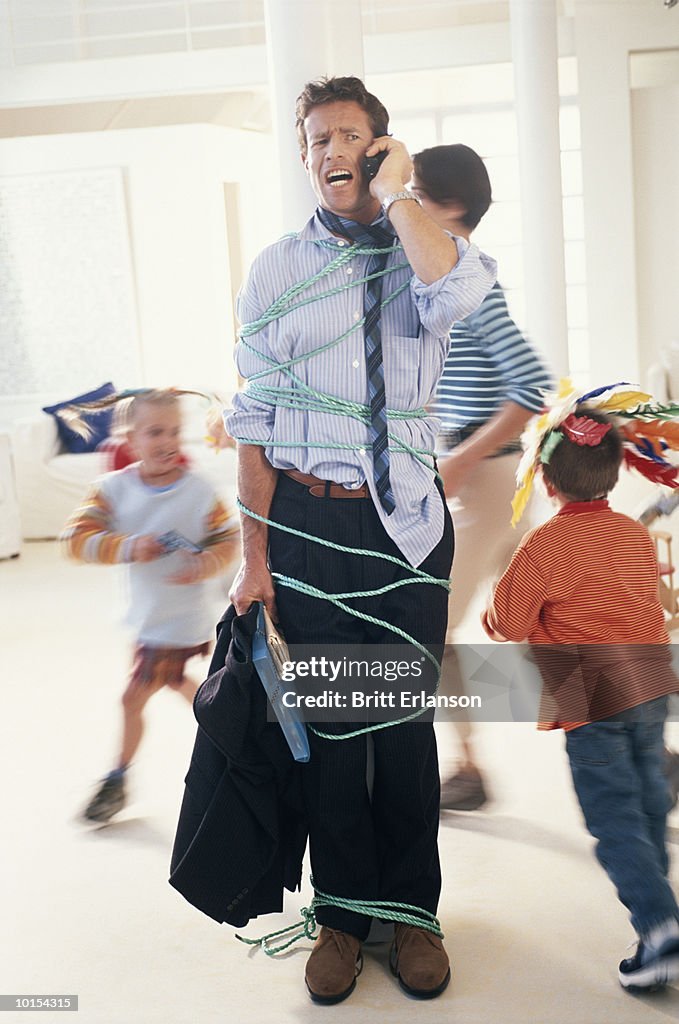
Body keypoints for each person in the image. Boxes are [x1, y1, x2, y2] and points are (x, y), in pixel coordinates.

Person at [224, 76, 496, 1003]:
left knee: (406, 725)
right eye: (317, 140)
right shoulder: (274, 271)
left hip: (405, 524)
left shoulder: (422, 247)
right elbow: (253, 424)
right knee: (332, 730)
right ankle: (341, 917)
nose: (331, 151)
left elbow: (458, 289)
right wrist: (253, 556)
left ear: (379, 147)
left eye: (349, 136)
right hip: (307, 524)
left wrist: (399, 192)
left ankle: (412, 914)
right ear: (303, 158)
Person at [481, 390, 679, 993]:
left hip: (592, 697)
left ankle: (661, 927)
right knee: (648, 801)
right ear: (616, 472)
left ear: (545, 481)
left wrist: (508, 619)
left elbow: (510, 621)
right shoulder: (634, 535)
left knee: (613, 815)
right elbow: (643, 601)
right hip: (650, 684)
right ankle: (658, 918)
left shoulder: (543, 545)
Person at [410, 144, 552, 810]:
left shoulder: (469, 282)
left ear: (451, 206)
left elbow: (531, 385)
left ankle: (467, 768)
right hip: (494, 481)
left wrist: (461, 460)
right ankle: (646, 743)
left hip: (485, 483)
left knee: (430, 630)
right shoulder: (447, 279)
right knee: (544, 622)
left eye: (413, 194)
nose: (402, 207)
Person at [62, 388, 239, 823]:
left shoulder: (199, 491)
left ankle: (117, 778)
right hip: (148, 617)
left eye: (175, 432)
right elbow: (75, 540)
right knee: (178, 684)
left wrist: (206, 563)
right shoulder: (112, 490)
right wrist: (128, 546)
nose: (167, 442)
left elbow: (228, 539)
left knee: (131, 698)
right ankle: (234, 732)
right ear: (130, 439)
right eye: (155, 432)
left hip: (178, 623)